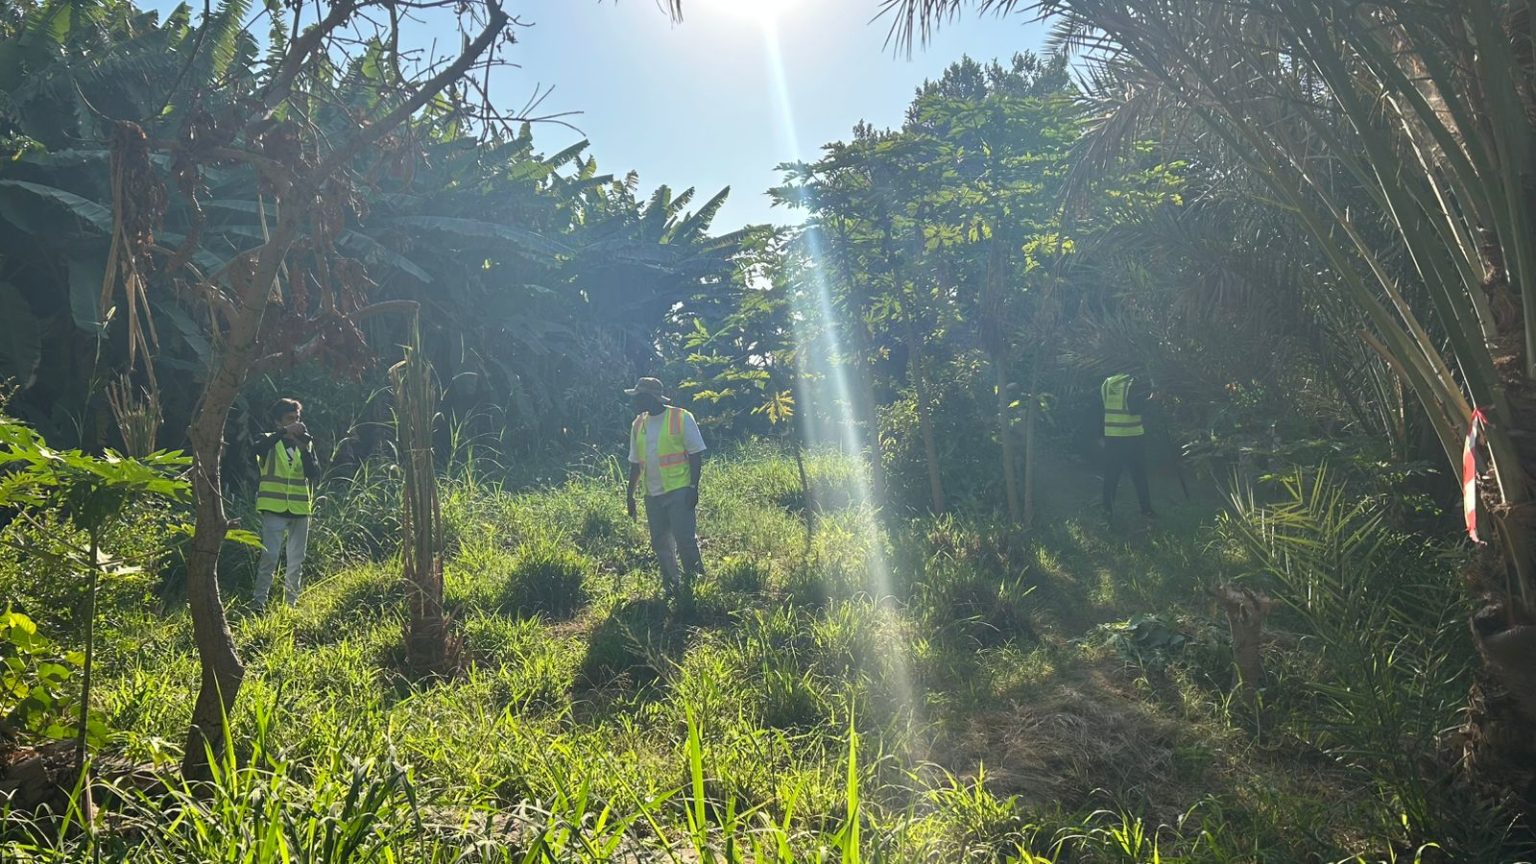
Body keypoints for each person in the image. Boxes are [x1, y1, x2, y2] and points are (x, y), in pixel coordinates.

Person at [624, 377, 706, 605]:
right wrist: (630, 495)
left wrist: (693, 487)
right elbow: (635, 463)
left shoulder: (681, 418)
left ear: (651, 398)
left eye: (638, 397)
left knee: (684, 539)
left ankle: (696, 584)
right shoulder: (638, 424)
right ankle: (672, 586)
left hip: (679, 489)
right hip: (652, 493)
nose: (634, 402)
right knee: (660, 542)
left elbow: (696, 454)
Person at [252, 397, 321, 608]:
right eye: (290, 419)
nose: (295, 422)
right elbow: (258, 449)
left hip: (300, 508)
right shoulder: (267, 439)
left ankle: (291, 604)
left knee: (296, 560)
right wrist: (284, 432)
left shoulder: (306, 444)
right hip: (274, 507)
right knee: (269, 557)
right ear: (278, 422)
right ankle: (259, 603)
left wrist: (304, 450)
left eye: (297, 418)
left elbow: (314, 473)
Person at [1101, 371, 1156, 520]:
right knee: (1139, 475)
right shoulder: (1133, 381)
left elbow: (1105, 406)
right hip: (1133, 436)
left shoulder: (1108, 382)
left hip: (1112, 435)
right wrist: (1152, 399)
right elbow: (1134, 409)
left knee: (1111, 474)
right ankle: (1146, 510)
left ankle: (1107, 509)